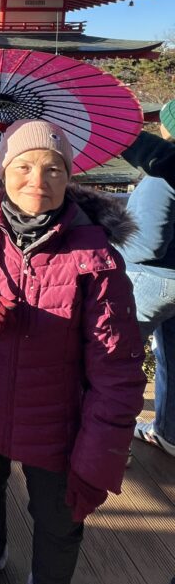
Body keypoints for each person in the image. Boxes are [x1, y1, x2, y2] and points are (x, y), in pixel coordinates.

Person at [0, 119, 145, 584]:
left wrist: (100, 456)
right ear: (3, 171)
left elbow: (118, 367)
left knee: (58, 519)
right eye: (24, 166)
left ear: (69, 177)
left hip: (58, 418)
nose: (38, 180)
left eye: (54, 169)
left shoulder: (95, 257)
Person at [119, 99, 175, 457]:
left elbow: (148, 243)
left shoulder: (162, 174)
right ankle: (169, 433)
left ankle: (110, 444)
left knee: (115, 361)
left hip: (154, 280)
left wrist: (110, 239)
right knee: (171, 356)